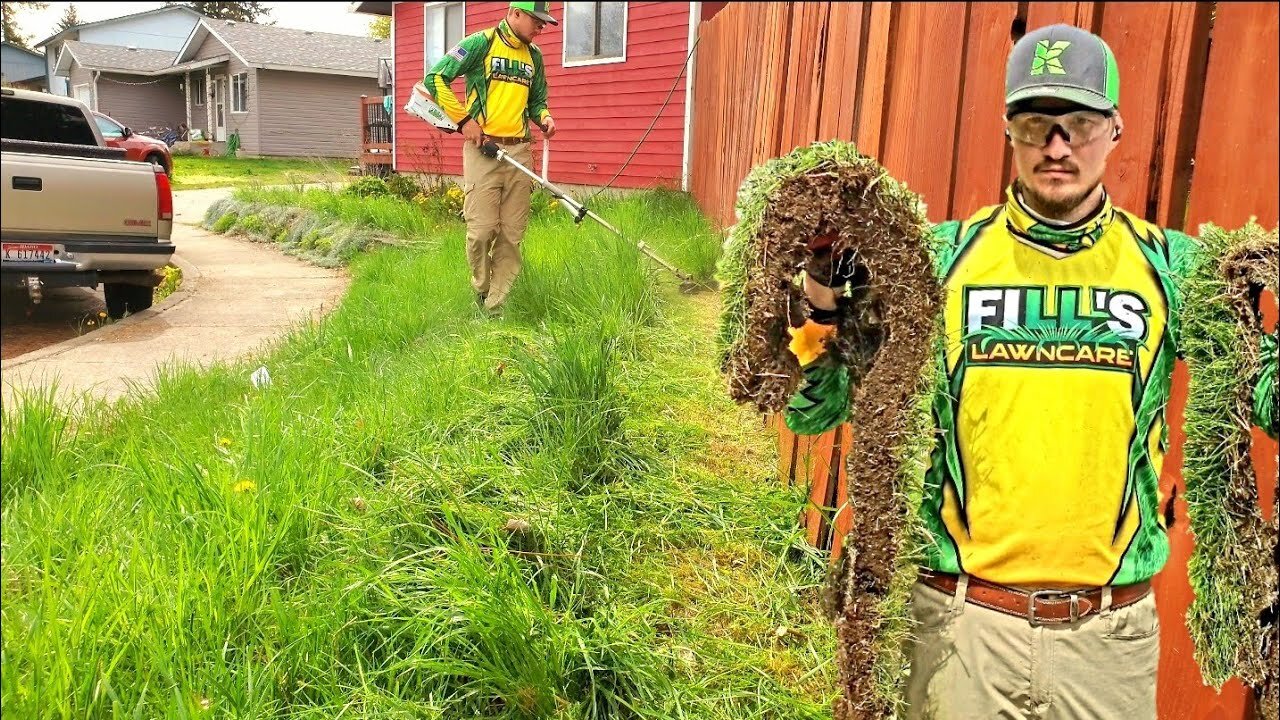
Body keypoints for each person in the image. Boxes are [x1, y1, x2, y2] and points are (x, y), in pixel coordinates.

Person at [785, 24, 1278, 719]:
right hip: (959, 632)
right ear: (1008, 129)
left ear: (1114, 130)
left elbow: (1263, 397)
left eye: (1079, 122)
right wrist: (820, 302)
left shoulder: (1175, 268)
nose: (1057, 145)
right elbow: (815, 409)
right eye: (1037, 122)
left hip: (1108, 642)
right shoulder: (935, 260)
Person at [421, 1, 558, 314]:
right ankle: (482, 289)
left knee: (512, 234)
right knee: (482, 231)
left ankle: (497, 304)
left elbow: (537, 101)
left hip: (520, 151)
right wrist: (464, 120)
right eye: (537, 21)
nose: (540, 29)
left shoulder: (534, 56)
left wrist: (545, 118)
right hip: (483, 150)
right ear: (515, 13)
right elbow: (436, 77)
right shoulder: (479, 43)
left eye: (543, 23)